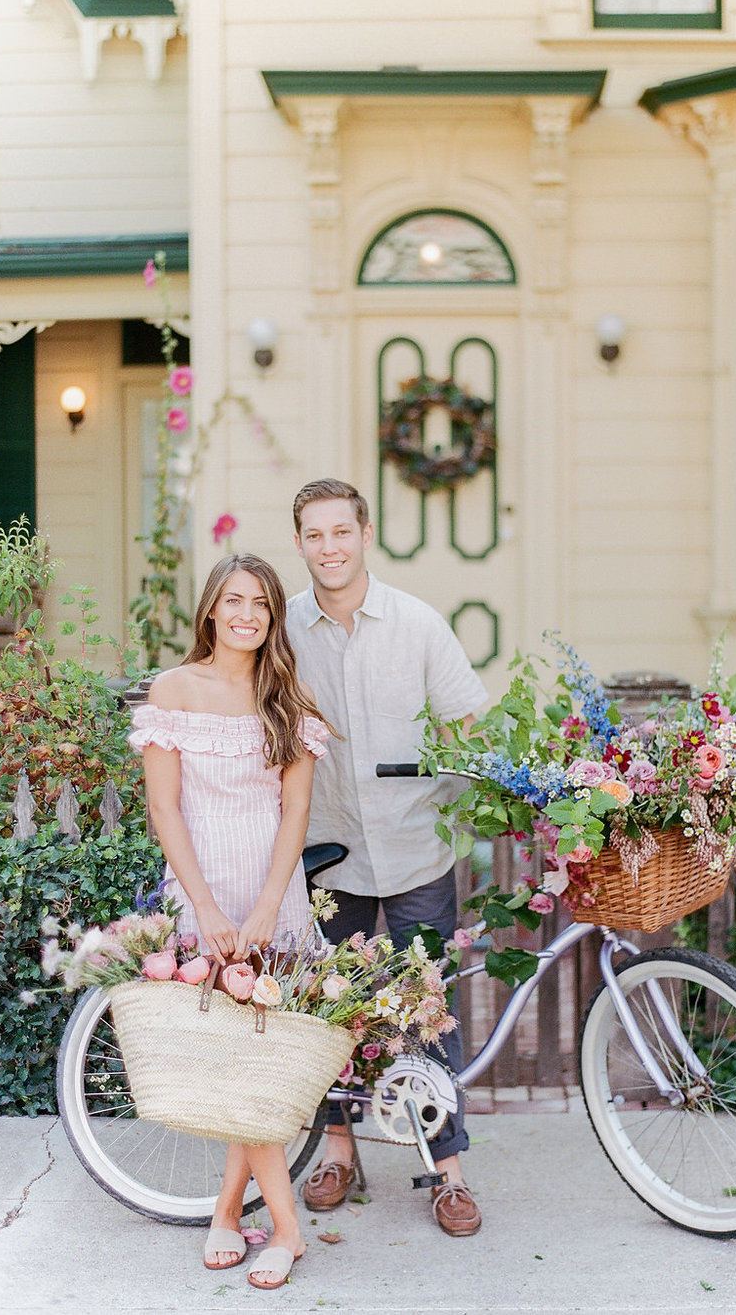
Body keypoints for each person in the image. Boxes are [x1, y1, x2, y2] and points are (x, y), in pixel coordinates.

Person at [286, 478, 487, 1238]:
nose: (330, 547)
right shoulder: (287, 630)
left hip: (415, 849)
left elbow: (470, 717)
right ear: (301, 542)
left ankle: (446, 1169)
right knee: (333, 1012)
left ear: (366, 533)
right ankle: (338, 1150)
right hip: (326, 856)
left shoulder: (419, 624)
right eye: (315, 534)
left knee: (427, 1016)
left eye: (342, 531)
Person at [128, 553, 332, 1290]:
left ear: (274, 617)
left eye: (261, 604)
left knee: (263, 1063)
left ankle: (231, 1214)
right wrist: (209, 908)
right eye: (233, 600)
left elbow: (296, 815)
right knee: (228, 1059)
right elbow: (164, 809)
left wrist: (268, 907)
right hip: (202, 891)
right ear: (211, 609)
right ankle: (283, 1225)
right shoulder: (173, 690)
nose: (247, 613)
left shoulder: (289, 702)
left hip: (273, 893)